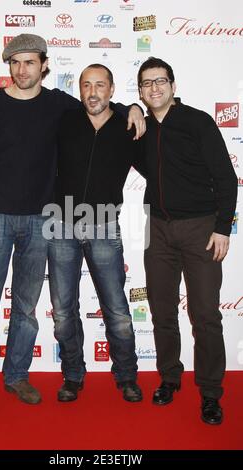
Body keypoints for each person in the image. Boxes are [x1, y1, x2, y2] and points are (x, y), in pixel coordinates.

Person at [0, 34, 145, 423]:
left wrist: (135, 106)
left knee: (25, 309)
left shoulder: (61, 105)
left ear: (44, 66)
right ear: (8, 66)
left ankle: (18, 377)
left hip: (43, 220)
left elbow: (101, 105)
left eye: (29, 62)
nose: (21, 69)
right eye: (15, 62)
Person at [137, 57, 238, 425]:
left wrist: (223, 227)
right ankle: (169, 377)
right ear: (142, 91)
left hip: (201, 228)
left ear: (173, 85)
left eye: (160, 81)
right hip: (158, 230)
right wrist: (130, 110)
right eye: (146, 84)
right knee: (163, 312)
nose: (154, 88)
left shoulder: (198, 122)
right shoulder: (142, 129)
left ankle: (211, 393)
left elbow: (226, 179)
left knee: (206, 315)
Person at [44, 64, 145, 403]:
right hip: (61, 222)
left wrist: (138, 107)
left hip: (104, 223)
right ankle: (73, 375)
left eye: (100, 85)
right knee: (62, 310)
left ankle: (127, 376)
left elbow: (161, 136)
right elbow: (28, 137)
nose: (92, 92)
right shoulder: (66, 119)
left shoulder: (127, 125)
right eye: (86, 85)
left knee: (116, 307)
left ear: (112, 89)